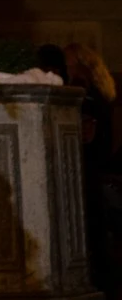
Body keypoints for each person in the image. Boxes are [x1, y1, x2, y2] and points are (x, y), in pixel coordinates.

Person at [66, 43, 117, 296]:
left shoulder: (86, 96)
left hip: (88, 169)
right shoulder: (100, 94)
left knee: (92, 232)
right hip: (94, 169)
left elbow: (90, 138)